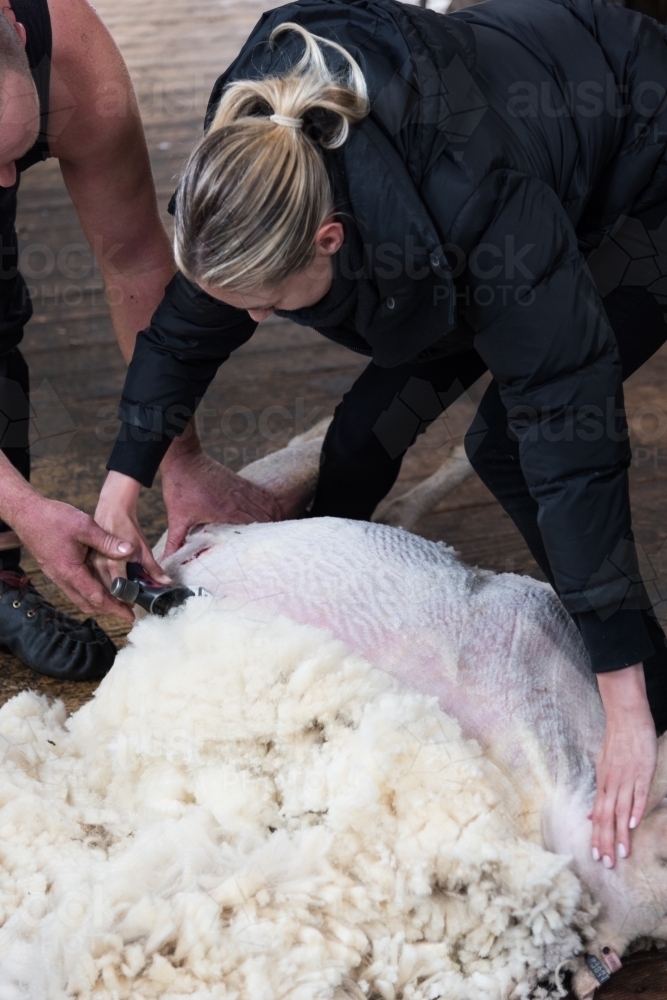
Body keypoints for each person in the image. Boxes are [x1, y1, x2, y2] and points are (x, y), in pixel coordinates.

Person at [93, 0, 667, 869]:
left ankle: (647, 699)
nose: (242, 317)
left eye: (264, 302)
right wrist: (121, 483)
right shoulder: (251, 148)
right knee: (360, 443)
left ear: (329, 237)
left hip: (642, 156)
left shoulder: (474, 203)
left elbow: (569, 431)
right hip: (469, 195)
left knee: (510, 443)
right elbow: (189, 324)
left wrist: (624, 702)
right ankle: (347, 614)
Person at [0, 0, 265, 680]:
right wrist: (23, 505)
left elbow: (133, 260)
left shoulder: (69, 47)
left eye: (12, 157)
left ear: (16, 29)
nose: (7, 184)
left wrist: (177, 458)